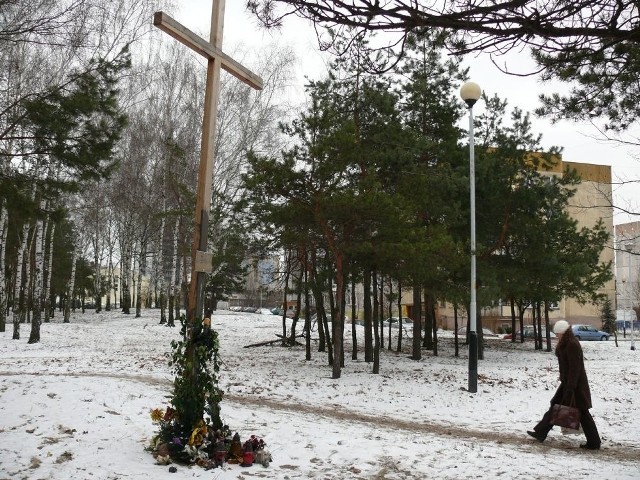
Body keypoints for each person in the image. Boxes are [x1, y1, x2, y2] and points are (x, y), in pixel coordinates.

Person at [527, 320, 601, 449]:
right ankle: (541, 432)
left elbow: (575, 368)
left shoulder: (572, 344)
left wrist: (571, 387)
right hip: (569, 383)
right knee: (555, 406)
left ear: (563, 332)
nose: (556, 336)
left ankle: (594, 442)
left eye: (558, 334)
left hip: (575, 385)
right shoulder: (567, 343)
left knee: (583, 413)